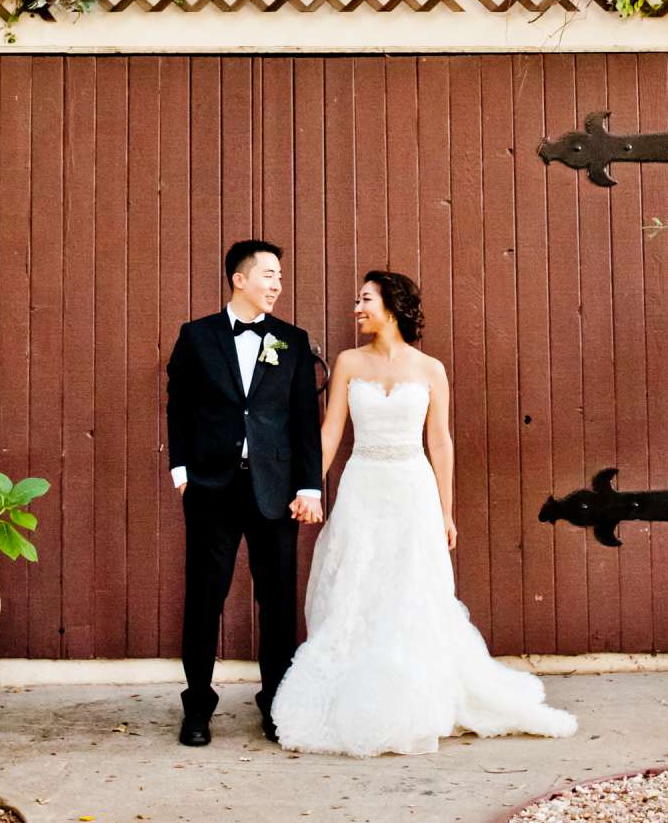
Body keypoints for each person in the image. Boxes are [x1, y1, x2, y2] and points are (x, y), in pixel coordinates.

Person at [271, 269, 578, 757]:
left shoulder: (431, 369)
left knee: (412, 585)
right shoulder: (349, 362)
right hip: (363, 486)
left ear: (390, 306)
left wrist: (446, 511)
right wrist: (310, 489)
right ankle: (353, 691)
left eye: (365, 299)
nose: (357, 307)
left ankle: (417, 694)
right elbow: (330, 431)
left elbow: (440, 440)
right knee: (358, 580)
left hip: (412, 488)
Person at [165, 239, 323, 746]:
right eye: (268, 275)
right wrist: (181, 472)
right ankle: (197, 708)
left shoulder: (292, 341)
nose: (277, 284)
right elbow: (179, 406)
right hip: (211, 487)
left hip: (274, 490)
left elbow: (304, 419)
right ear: (239, 279)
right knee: (204, 598)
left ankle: (275, 702)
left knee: (277, 601)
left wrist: (309, 486)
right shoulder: (196, 336)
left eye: (279, 276)